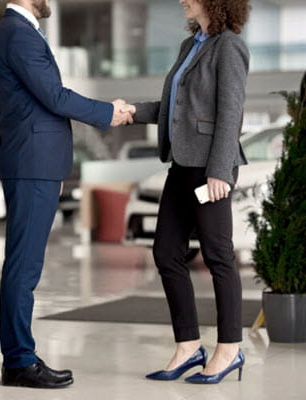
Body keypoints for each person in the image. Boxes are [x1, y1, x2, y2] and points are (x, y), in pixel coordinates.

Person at [0, 0, 131, 389]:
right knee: (24, 266)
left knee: (25, 264)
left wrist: (54, 166)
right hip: (31, 164)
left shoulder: (19, 32)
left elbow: (40, 102)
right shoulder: (18, 33)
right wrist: (108, 112)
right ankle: (19, 361)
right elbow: (54, 97)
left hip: (39, 164)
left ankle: (18, 357)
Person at [122, 0, 251, 384]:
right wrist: (130, 110)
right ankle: (188, 346)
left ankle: (229, 349)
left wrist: (219, 171)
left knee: (218, 256)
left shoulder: (228, 45)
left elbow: (231, 111)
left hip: (210, 168)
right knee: (165, 252)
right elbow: (175, 108)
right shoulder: (191, 44)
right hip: (181, 164)